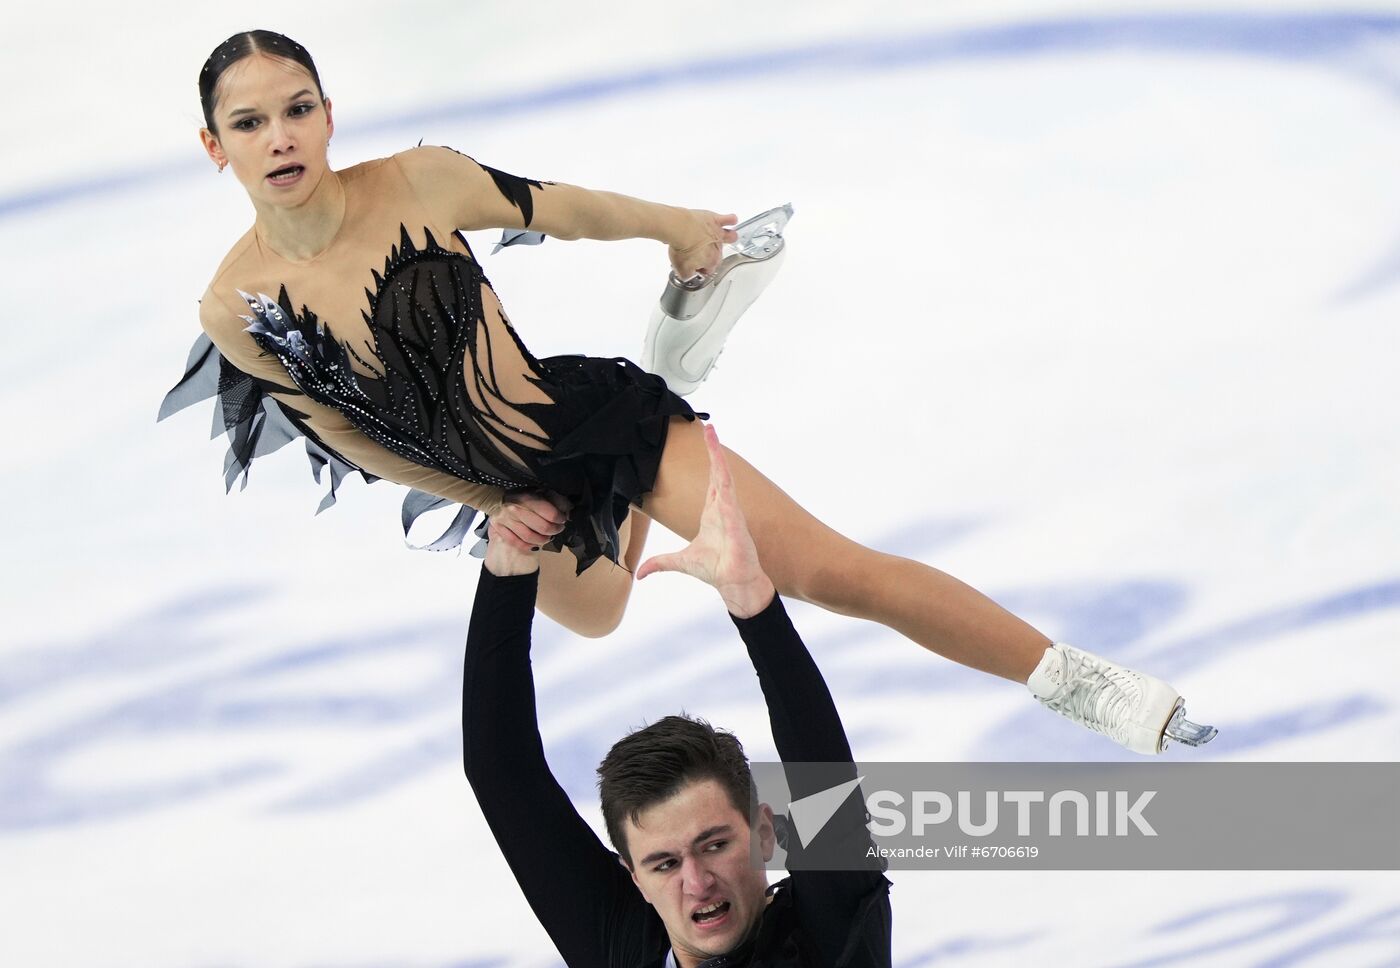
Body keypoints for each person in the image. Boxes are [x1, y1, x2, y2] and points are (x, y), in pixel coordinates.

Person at [159, 29, 1216, 755]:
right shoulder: (233, 304)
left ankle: (1090, 687)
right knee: (601, 615)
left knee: (828, 571)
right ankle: (674, 361)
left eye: (297, 109)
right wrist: (488, 504)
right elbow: (344, 433)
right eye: (250, 123)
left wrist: (677, 229)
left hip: (584, 417)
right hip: (515, 488)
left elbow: (561, 207)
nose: (281, 136)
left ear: (330, 115)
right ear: (216, 148)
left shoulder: (419, 181)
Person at [463, 423, 892, 966]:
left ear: (763, 833)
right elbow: (502, 774)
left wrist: (753, 604)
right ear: (634, 877)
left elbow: (824, 783)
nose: (697, 883)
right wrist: (507, 557)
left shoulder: (831, 938)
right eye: (664, 864)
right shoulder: (622, 943)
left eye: (715, 844)